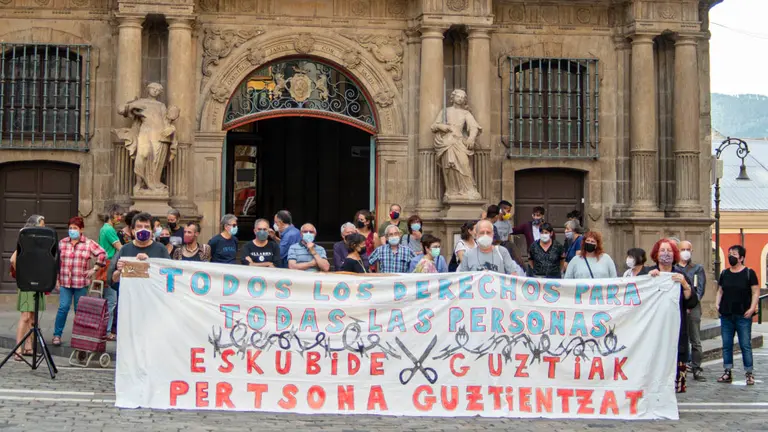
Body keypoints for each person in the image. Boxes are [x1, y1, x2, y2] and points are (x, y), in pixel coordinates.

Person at [648, 239, 698, 393]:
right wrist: (648, 279)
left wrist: (685, 285)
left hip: (676, 328)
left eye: (669, 251)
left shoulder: (680, 275)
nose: (665, 254)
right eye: (662, 250)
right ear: (656, 254)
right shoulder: (648, 273)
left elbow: (691, 302)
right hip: (654, 328)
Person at [52, 216, 107, 347]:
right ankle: (57, 335)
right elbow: (55, 262)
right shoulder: (62, 243)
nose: (72, 231)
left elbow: (102, 254)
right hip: (65, 281)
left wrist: (95, 269)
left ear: (81, 229)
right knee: (63, 308)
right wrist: (56, 279)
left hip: (81, 282)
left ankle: (80, 335)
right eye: (70, 228)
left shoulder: (88, 243)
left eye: (75, 228)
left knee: (80, 310)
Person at [716, 245, 759, 386]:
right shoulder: (724, 273)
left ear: (741, 258)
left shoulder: (749, 273)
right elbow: (720, 291)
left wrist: (752, 308)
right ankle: (727, 371)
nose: (731, 256)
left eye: (734, 254)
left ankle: (749, 373)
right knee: (727, 344)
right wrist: (717, 304)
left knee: (745, 344)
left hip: (743, 315)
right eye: (729, 254)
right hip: (727, 314)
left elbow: (755, 292)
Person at [9, 215, 46, 361]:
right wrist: (24, 275)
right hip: (27, 283)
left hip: (37, 281)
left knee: (33, 317)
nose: (44, 227)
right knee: (25, 317)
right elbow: (13, 259)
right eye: (42, 224)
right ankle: (18, 349)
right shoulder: (26, 239)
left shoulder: (39, 241)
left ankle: (29, 347)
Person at [109, 212, 172, 287]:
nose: (143, 229)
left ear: (152, 231)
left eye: (147, 227)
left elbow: (169, 276)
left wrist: (149, 263)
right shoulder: (125, 249)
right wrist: (120, 270)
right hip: (131, 296)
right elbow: (114, 279)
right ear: (133, 231)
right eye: (139, 226)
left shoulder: (161, 249)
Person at [679, 240, 707, 382]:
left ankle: (696, 368)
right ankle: (679, 367)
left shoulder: (697, 268)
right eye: (682, 249)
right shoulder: (674, 268)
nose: (685, 252)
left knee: (695, 339)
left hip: (693, 306)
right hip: (678, 307)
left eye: (687, 249)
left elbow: (700, 289)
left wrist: (691, 304)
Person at [457, 220, 524, 275]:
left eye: (488, 232)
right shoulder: (468, 255)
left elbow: (514, 275)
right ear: (476, 235)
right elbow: (463, 279)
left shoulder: (502, 252)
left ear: (492, 234)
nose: (485, 235)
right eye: (482, 232)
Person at [98, 204, 123, 342]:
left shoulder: (104, 228)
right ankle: (107, 331)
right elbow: (120, 248)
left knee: (107, 299)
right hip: (109, 265)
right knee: (111, 301)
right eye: (118, 215)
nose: (119, 218)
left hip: (104, 264)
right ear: (112, 215)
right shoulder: (109, 230)